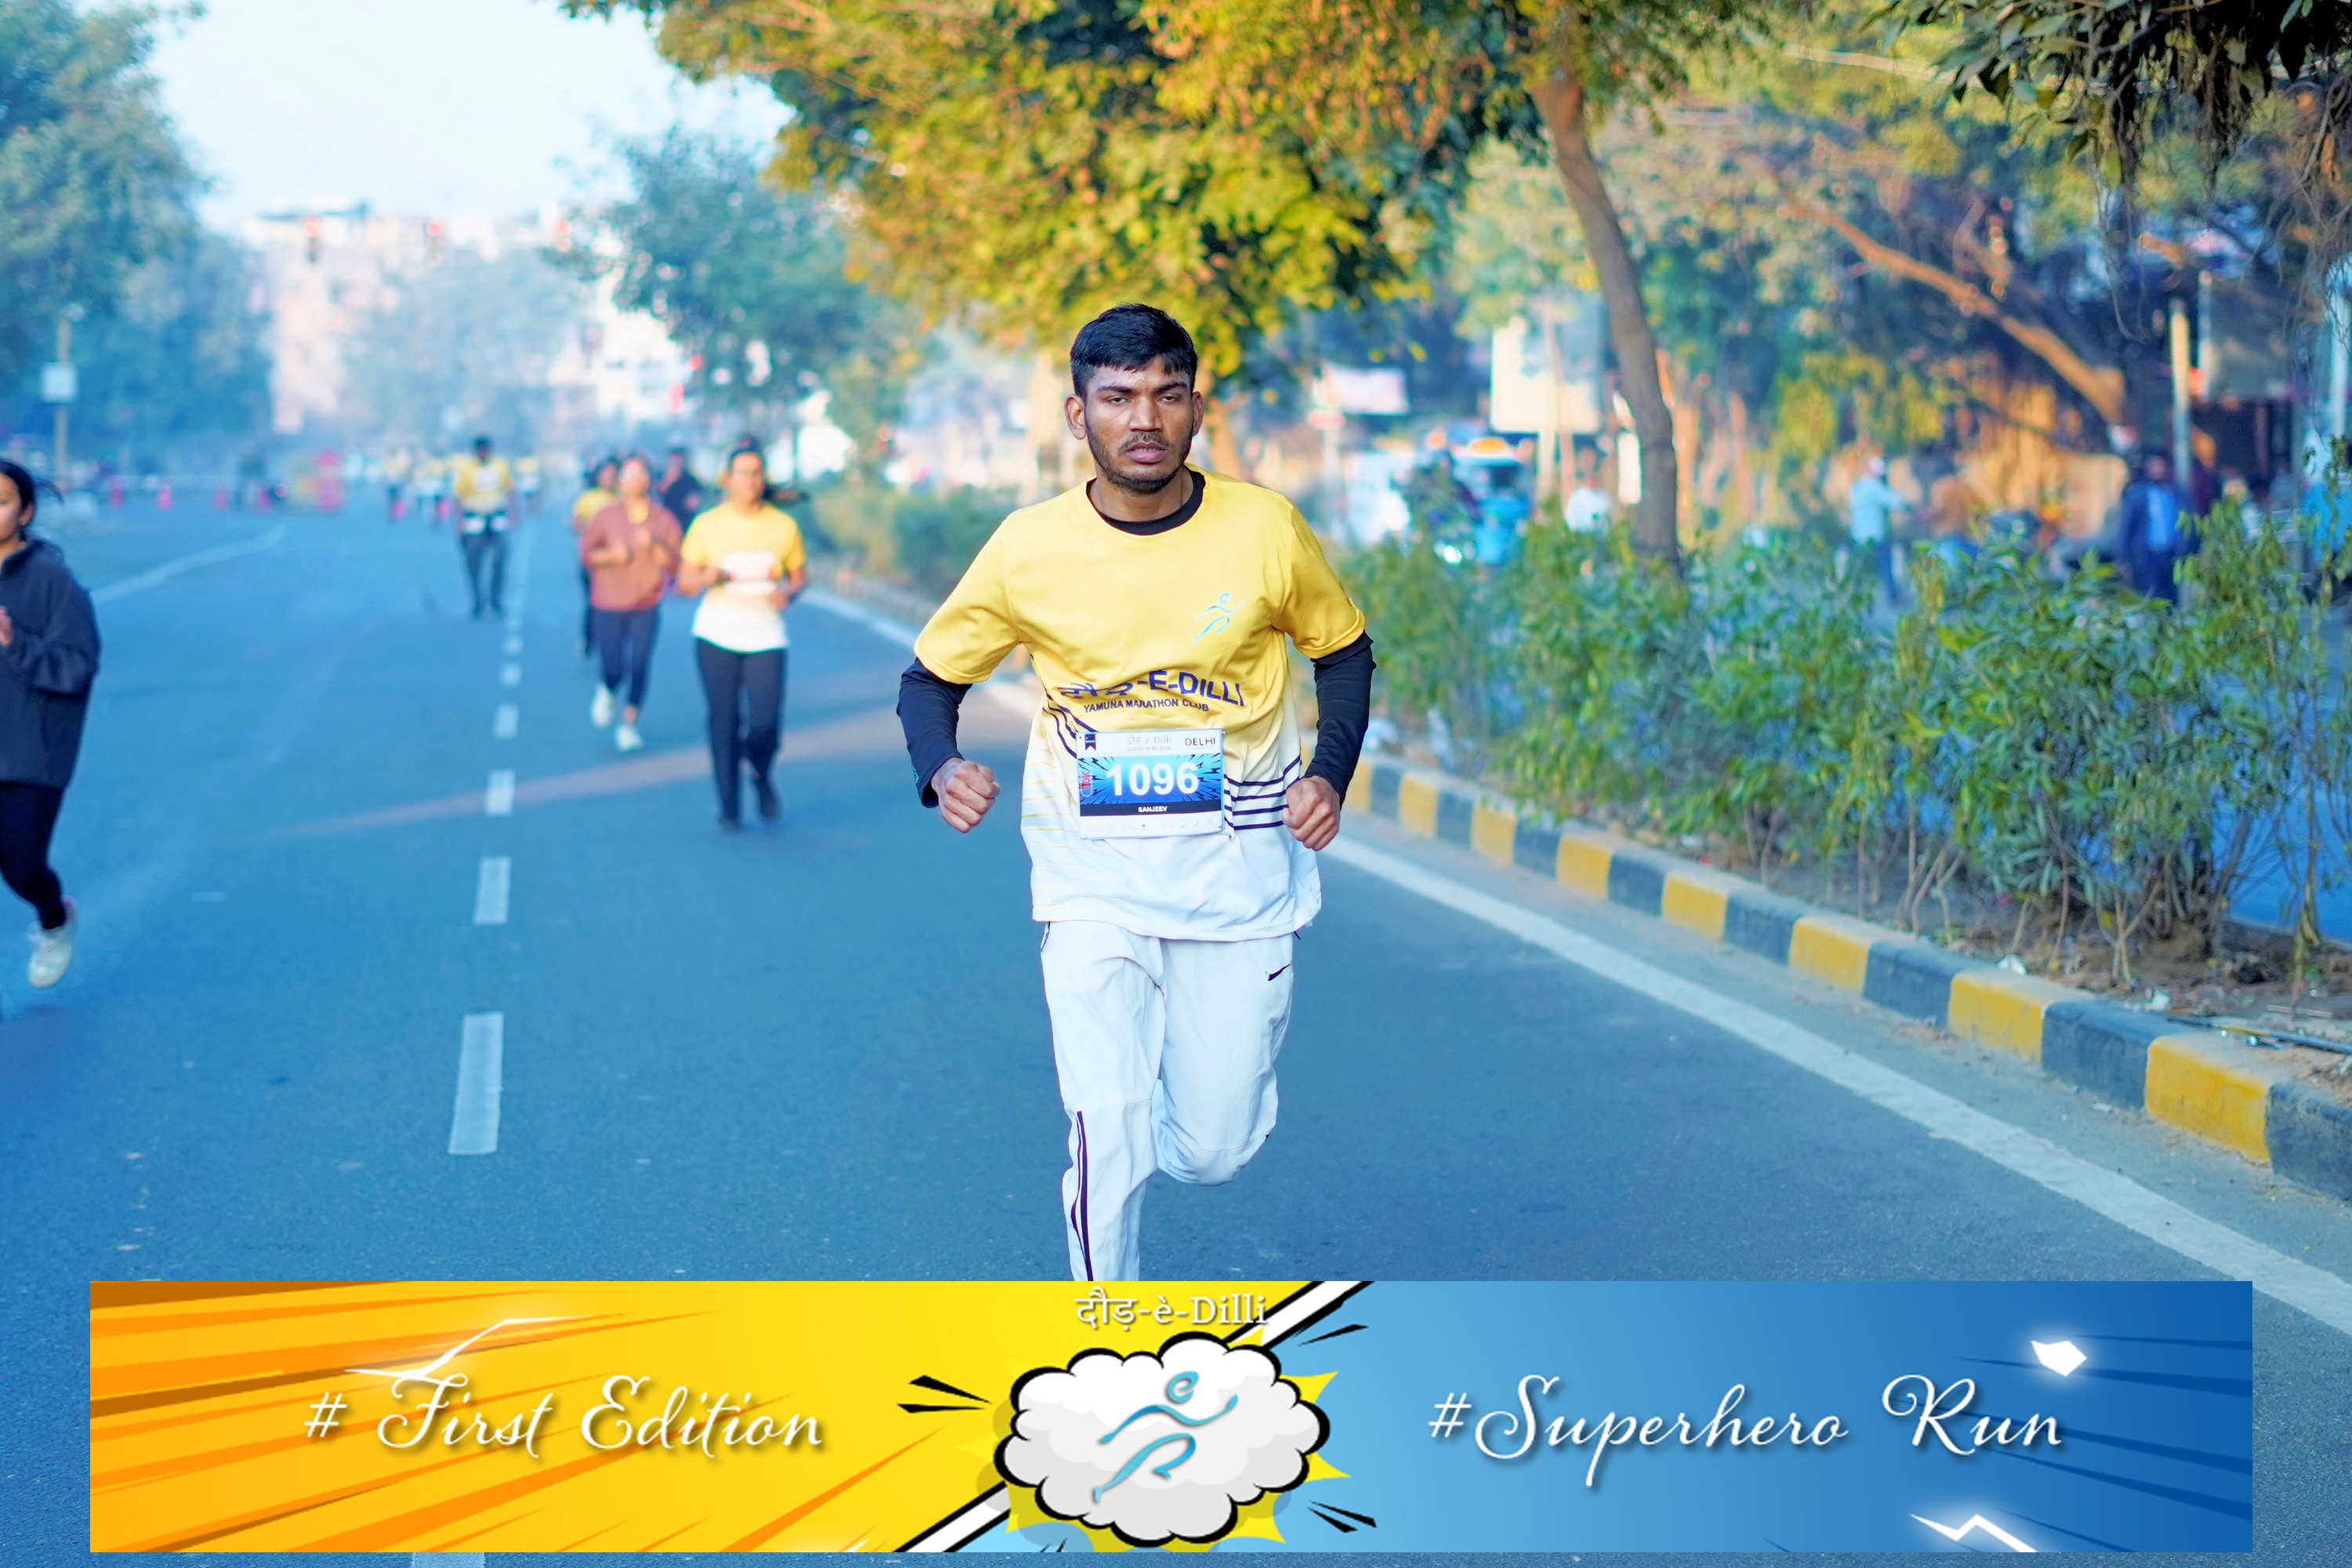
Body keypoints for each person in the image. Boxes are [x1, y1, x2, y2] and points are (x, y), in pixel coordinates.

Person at [896, 303, 1374, 1282]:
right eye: (1117, 398)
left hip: (1239, 880)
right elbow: (929, 680)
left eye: (1167, 394)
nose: (1144, 419)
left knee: (1213, 1146)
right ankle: (1099, 1329)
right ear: (1079, 414)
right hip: (1092, 876)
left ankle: (1144, 1119)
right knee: (1106, 1125)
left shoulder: (1265, 529)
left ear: (1196, 408)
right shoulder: (1028, 547)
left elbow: (1345, 651)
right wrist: (941, 767)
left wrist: (1329, 773)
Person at [0, 460, 100, 989]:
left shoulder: (51, 580)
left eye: (0, 502)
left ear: (25, 513)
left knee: (21, 866)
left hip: (29, 754)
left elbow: (77, 665)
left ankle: (55, 919)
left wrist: (15, 643)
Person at [675, 448, 808, 829]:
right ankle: (729, 807)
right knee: (724, 720)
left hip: (766, 635)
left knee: (765, 723)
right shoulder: (707, 524)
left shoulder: (783, 526)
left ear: (763, 479)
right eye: (742, 472)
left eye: (756, 472)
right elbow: (684, 583)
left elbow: (799, 577)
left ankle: (760, 771)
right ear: (727, 479)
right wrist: (707, 577)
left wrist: (788, 593)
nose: (749, 480)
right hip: (716, 633)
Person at [579, 456, 682, 753]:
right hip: (608, 602)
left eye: (640, 474)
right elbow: (587, 555)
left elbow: (675, 565)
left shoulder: (663, 519)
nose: (634, 480)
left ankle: (629, 723)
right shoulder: (606, 516)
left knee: (639, 663)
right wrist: (612, 556)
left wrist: (654, 544)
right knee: (614, 665)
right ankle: (608, 689)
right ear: (620, 482)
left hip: (646, 603)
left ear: (649, 480)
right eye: (628, 474)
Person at [450, 436, 517, 618]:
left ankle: (496, 599)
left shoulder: (500, 466)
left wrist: (514, 514)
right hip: (474, 519)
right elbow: (459, 496)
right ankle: (477, 600)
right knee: (473, 562)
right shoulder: (466, 469)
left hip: (497, 517)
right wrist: (459, 522)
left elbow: (510, 490)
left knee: (500, 559)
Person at [2120, 452, 2190, 604]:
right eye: (2154, 466)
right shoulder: (2137, 495)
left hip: (2171, 555)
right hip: (2147, 557)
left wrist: (2185, 549)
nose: (2158, 470)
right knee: (2150, 599)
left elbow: (2188, 524)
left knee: (2171, 600)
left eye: (2160, 466)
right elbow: (2126, 529)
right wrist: (2123, 559)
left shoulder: (2177, 494)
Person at [572, 456, 619, 657]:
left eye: (613, 475)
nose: (609, 479)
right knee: (593, 601)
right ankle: (589, 639)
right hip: (593, 559)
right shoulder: (588, 498)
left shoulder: (622, 498)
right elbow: (575, 524)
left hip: (617, 560)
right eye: (606, 475)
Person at [1846, 456, 1908, 604]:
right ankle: (1894, 598)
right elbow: (1897, 502)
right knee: (1885, 567)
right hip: (1876, 535)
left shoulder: (1857, 487)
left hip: (1858, 535)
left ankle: (1851, 597)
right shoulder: (1875, 487)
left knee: (1857, 569)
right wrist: (1912, 507)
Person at [657, 446, 702, 524]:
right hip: (663, 518)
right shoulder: (660, 475)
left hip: (682, 520)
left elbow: (694, 503)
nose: (676, 461)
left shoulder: (691, 480)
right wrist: (668, 480)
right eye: (674, 458)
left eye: (679, 458)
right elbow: (657, 495)